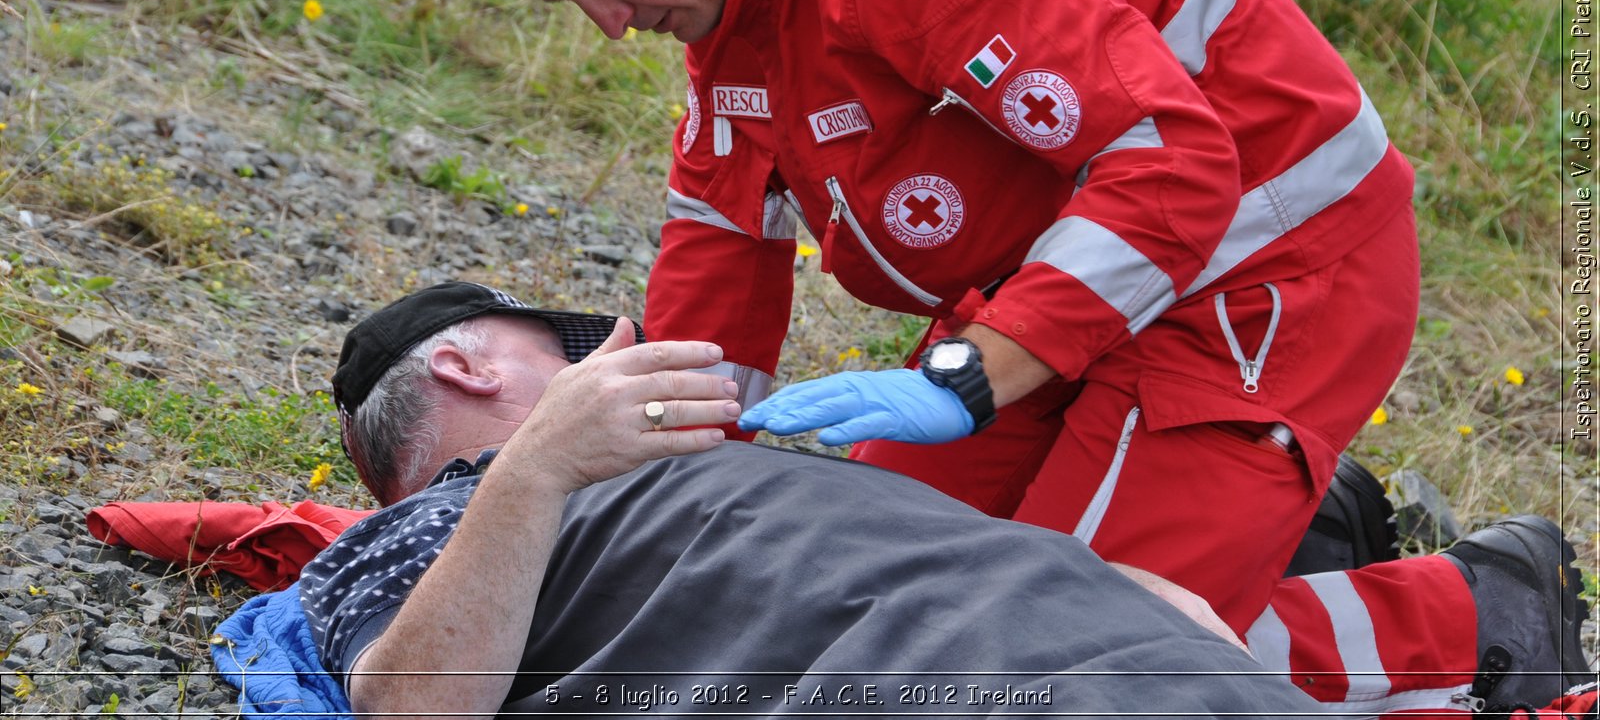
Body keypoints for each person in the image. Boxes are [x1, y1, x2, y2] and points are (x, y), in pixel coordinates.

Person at [456, 0, 1593, 712]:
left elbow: (1170, 162)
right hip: (1070, 280)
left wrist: (966, 375)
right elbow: (719, 235)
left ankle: (1475, 620)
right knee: (844, 580)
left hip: (1264, 262)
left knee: (1036, 658)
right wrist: (659, 477)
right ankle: (1273, 530)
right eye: (576, 1)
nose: (610, 25)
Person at [309, 281, 1321, 719]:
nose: (609, 362)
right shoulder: (428, 526)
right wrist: (536, 463)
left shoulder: (714, 469)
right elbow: (414, 705)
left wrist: (1153, 615)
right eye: (567, 355)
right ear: (464, 365)